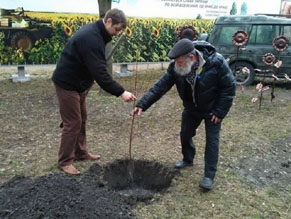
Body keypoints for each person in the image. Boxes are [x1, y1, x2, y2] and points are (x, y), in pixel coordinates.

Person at [132, 38, 236, 190]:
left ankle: (208, 176)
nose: (176, 65)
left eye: (179, 62)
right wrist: (142, 104)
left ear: (192, 58)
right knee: (185, 134)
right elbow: (160, 86)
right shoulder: (177, 65)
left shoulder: (216, 62)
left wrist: (219, 111)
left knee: (212, 141)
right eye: (175, 62)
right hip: (191, 108)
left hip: (212, 109)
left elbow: (229, 87)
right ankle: (188, 159)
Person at [52, 8, 136, 175]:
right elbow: (100, 74)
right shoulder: (91, 38)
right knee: (73, 122)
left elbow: (94, 67)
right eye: (117, 29)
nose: (116, 33)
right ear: (109, 21)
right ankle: (65, 161)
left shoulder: (98, 34)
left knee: (81, 118)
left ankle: (80, 152)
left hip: (79, 83)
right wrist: (121, 92)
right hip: (67, 83)